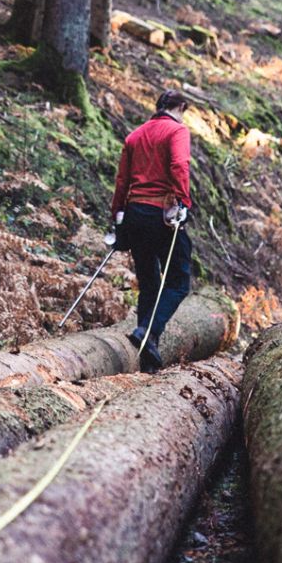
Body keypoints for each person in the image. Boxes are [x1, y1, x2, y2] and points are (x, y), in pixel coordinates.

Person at [111, 89, 194, 373]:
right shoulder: (176, 131)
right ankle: (149, 331)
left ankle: (148, 352)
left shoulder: (135, 136)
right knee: (179, 281)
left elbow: (122, 180)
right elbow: (179, 164)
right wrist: (183, 200)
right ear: (180, 107)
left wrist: (117, 214)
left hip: (134, 213)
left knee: (149, 281)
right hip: (162, 213)